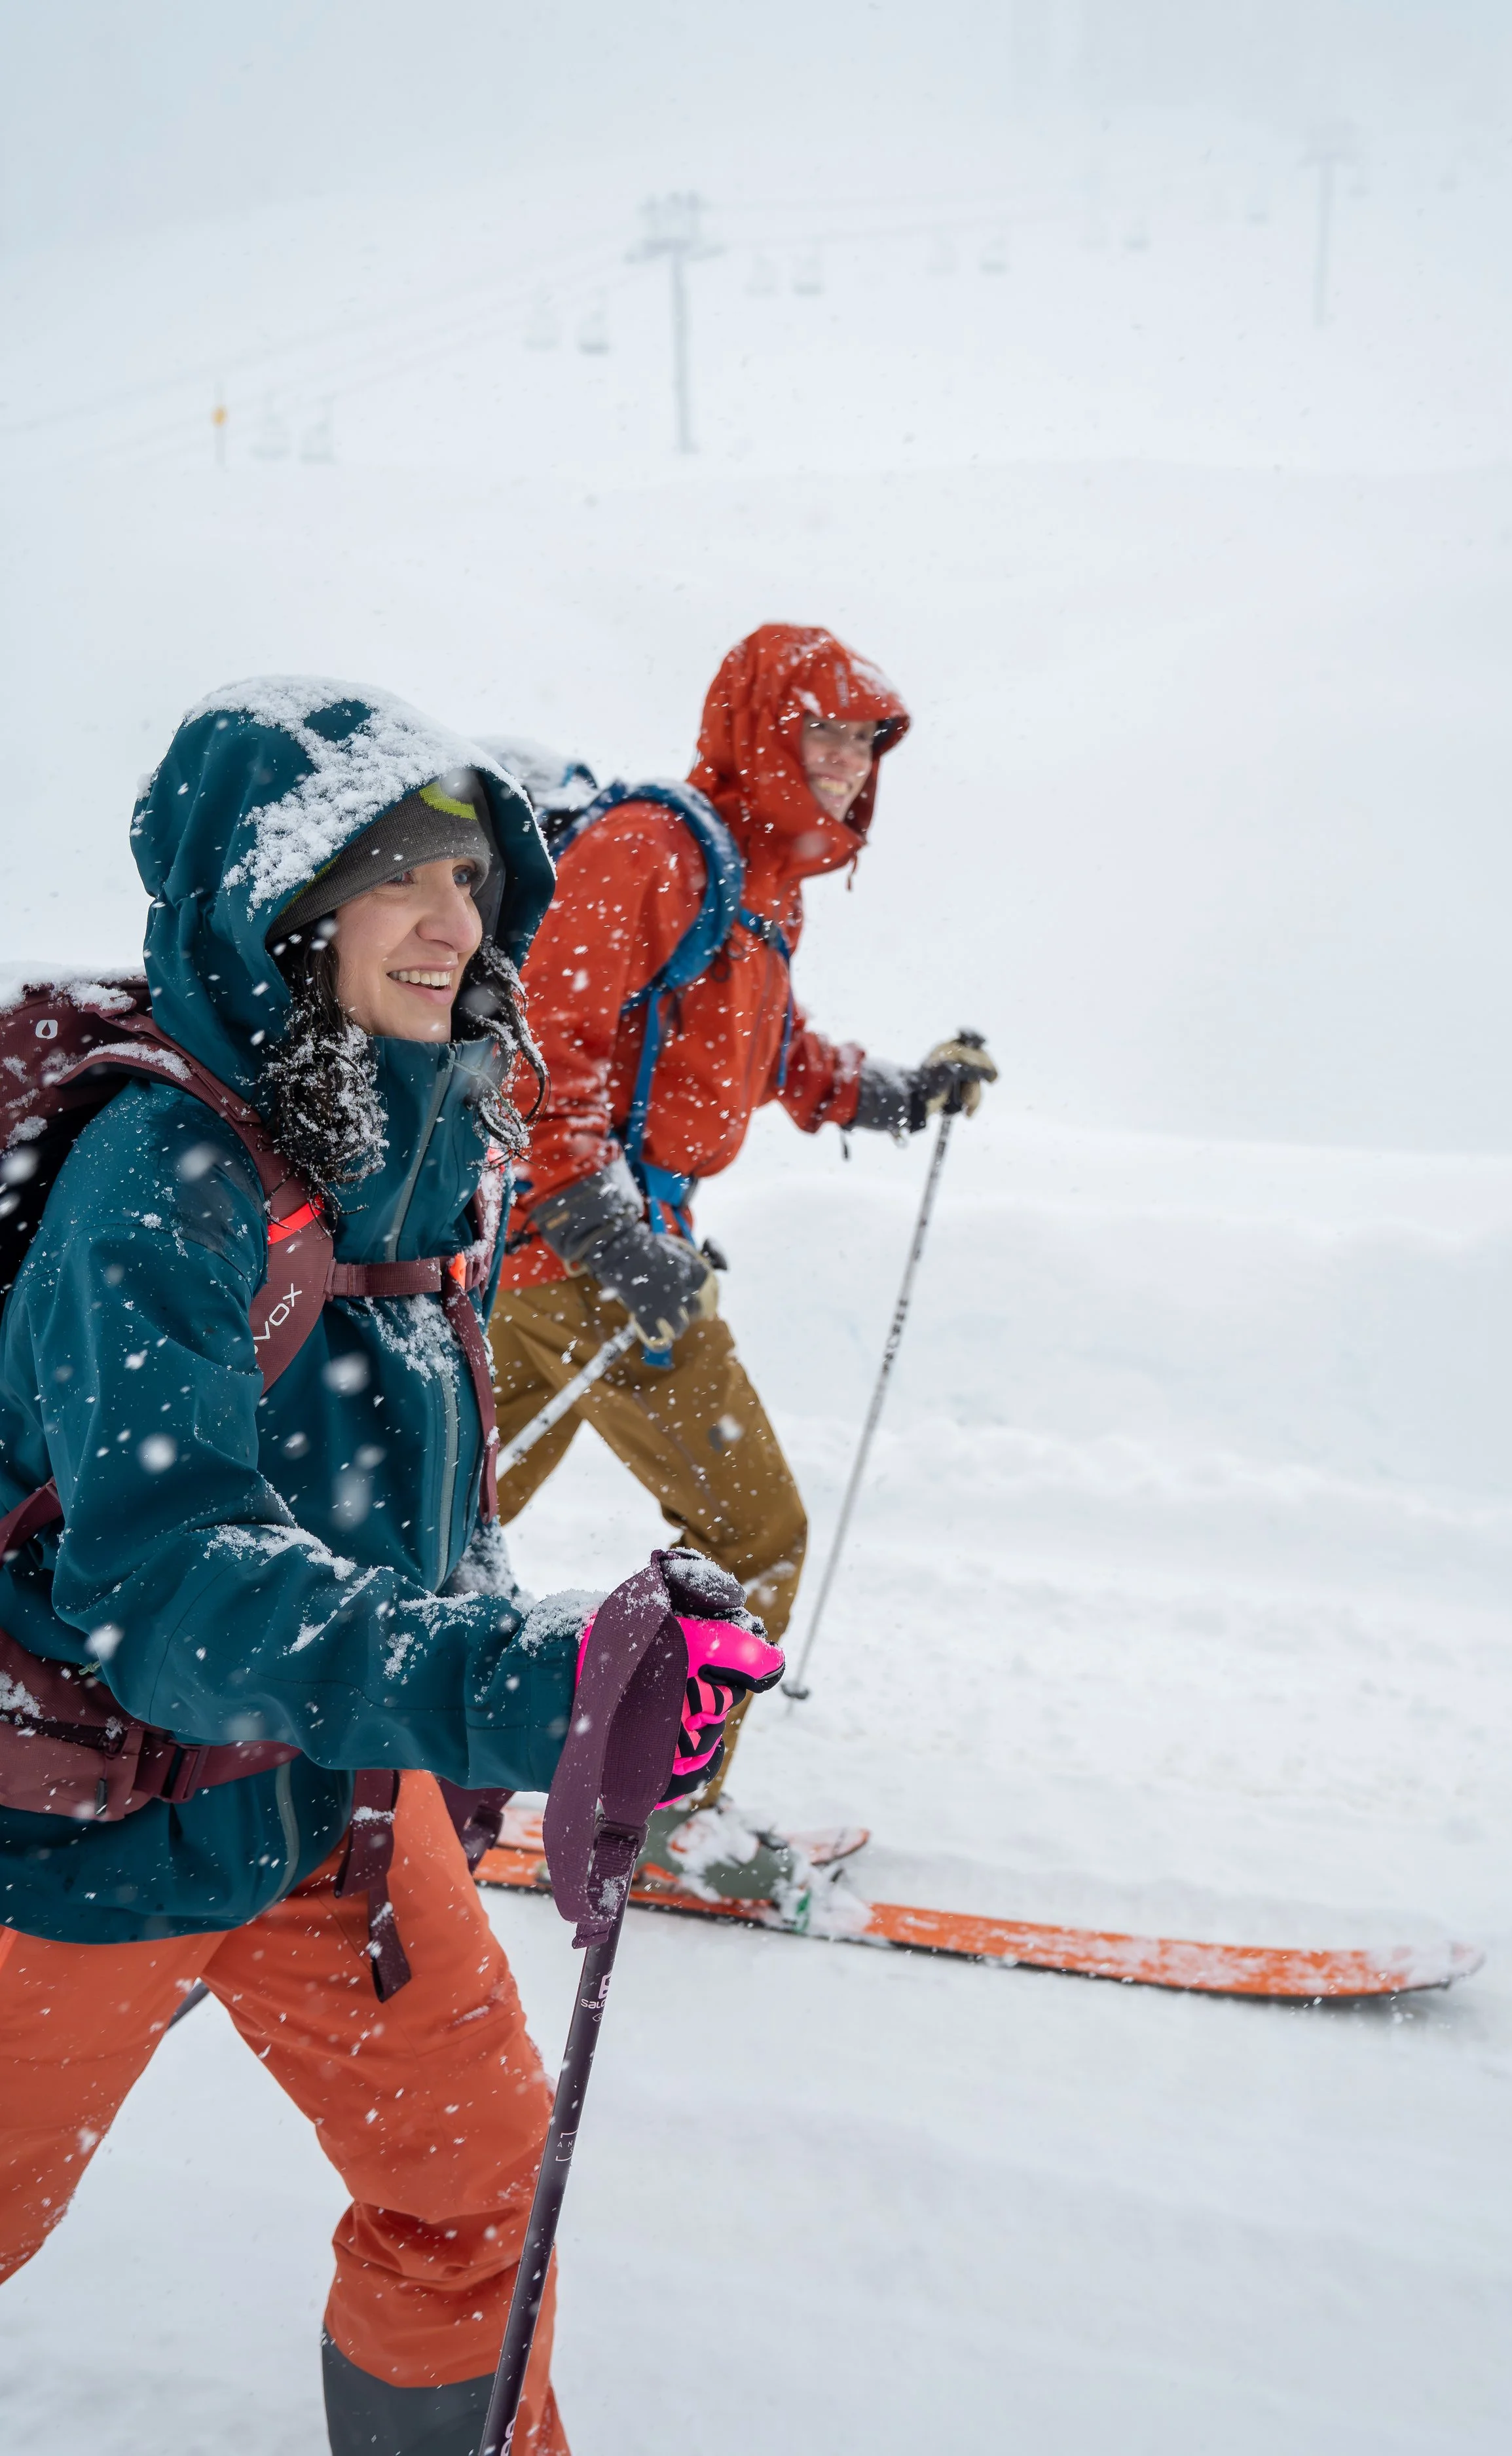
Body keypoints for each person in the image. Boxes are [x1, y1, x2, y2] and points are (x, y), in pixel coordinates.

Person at [0, 681, 762, 2456]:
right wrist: (518, 1683)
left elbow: (408, 1506)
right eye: (390, 875)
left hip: (324, 1798)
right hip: (80, 1822)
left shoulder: (415, 1142)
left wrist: (565, 1687)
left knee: (480, 2199)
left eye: (472, 877)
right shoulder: (161, 1175)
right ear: (277, 899)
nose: (449, 920)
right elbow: (176, 1585)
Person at [489, 625, 995, 1902]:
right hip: (570, 1261)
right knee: (740, 1531)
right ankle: (653, 1814)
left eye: (865, 742)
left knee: (447, 1521)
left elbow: (758, 1049)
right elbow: (548, 1050)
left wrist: (893, 1094)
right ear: (763, 730)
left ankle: (295, 1751)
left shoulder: (757, 883)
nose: (846, 763)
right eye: (824, 732)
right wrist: (609, 1232)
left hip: (585, 1262)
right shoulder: (649, 850)